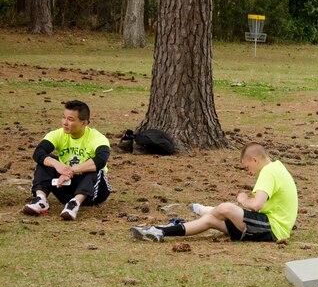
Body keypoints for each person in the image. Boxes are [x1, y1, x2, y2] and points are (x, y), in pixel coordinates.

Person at [130, 142, 298, 243]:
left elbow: (256, 205)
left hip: (274, 230)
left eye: (247, 166)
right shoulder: (277, 167)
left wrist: (243, 198)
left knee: (226, 208)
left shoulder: (268, 172)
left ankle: (205, 209)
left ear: (255, 160)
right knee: (210, 220)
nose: (248, 171)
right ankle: (160, 231)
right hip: (263, 227)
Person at [22, 100, 112, 220]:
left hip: (93, 192)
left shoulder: (97, 138)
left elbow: (101, 159)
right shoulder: (57, 134)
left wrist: (71, 171)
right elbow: (38, 153)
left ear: (84, 123)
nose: (65, 122)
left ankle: (74, 204)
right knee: (46, 161)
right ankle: (40, 200)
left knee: (95, 168)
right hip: (65, 186)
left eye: (70, 119)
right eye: (63, 117)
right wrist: (57, 165)